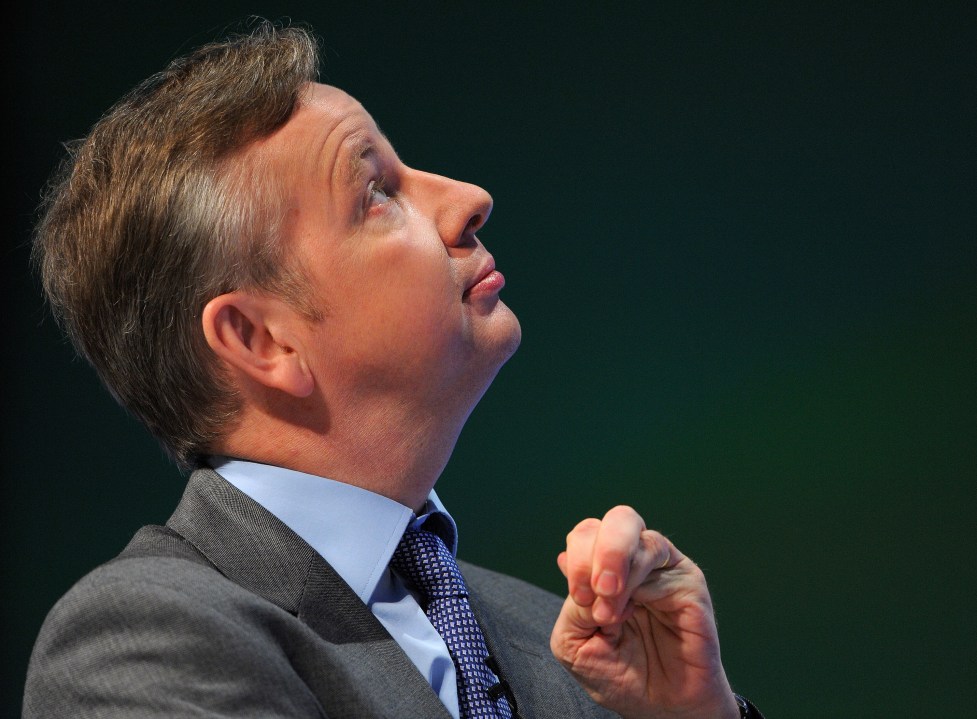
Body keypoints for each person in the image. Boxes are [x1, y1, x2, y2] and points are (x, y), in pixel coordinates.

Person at [23, 20, 763, 719]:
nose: (470, 200)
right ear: (262, 339)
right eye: (378, 192)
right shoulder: (144, 638)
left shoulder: (568, 643)